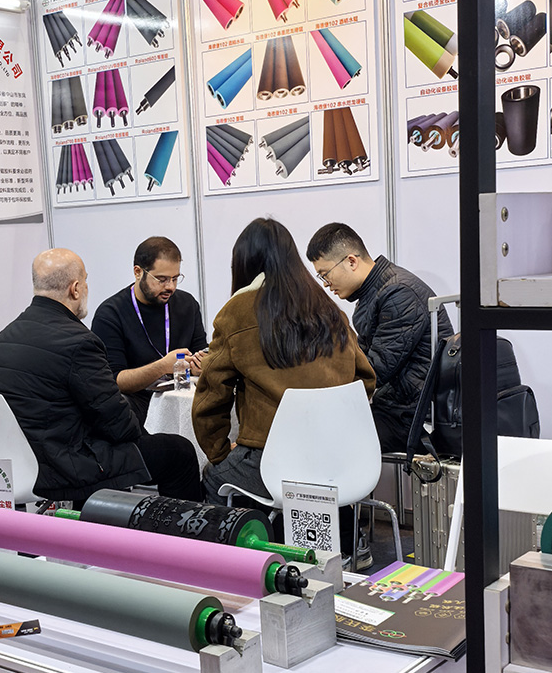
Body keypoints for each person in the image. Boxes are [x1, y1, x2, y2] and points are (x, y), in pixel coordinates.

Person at [0, 248, 201, 505]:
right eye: (85, 281)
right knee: (179, 452)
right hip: (64, 466)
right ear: (75, 289)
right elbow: (118, 424)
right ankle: (184, 530)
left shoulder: (5, 337)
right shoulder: (79, 341)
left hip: (10, 465)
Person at [192, 217, 375, 512]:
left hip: (272, 463)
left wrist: (220, 452)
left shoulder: (236, 312)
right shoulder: (330, 309)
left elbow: (210, 399)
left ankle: (251, 541)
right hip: (338, 460)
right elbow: (365, 379)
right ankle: (347, 536)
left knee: (214, 477)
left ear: (243, 264)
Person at [306, 223, 454, 453]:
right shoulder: (374, 293)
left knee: (323, 438)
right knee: (315, 427)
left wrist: (318, 384)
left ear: (351, 261)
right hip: (395, 407)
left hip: (412, 417)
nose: (326, 284)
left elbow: (373, 370)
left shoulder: (398, 293)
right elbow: (361, 362)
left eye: (325, 274)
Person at [92, 237, 208, 425]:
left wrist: (201, 365)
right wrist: (162, 366)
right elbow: (115, 380)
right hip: (137, 409)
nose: (170, 287)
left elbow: (201, 352)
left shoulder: (187, 304)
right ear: (138, 272)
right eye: (162, 279)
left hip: (184, 401)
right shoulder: (111, 314)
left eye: (175, 278)